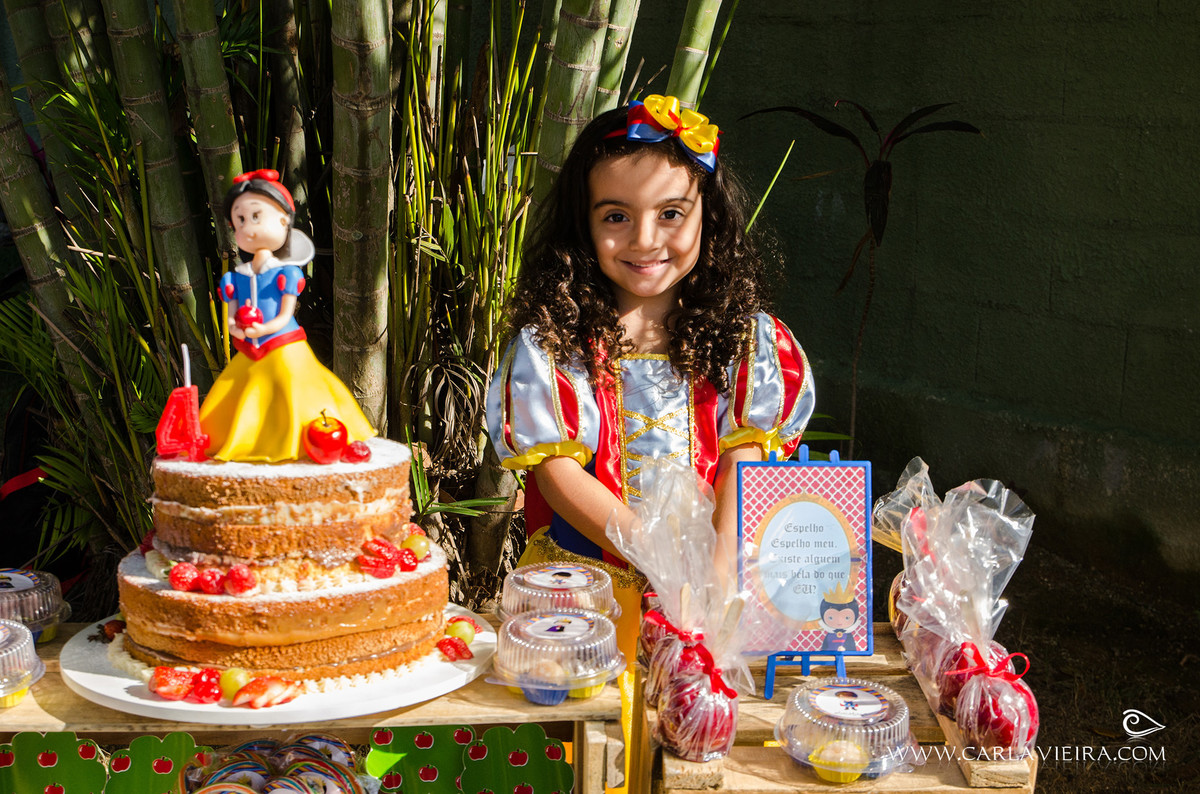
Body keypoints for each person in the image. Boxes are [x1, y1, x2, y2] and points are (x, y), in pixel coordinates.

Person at [486, 95, 815, 791]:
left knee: (703, 743)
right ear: (584, 223)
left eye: (671, 214)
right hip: (588, 595)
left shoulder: (743, 339)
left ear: (709, 216)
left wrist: (718, 568)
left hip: (707, 592)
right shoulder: (555, 345)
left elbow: (743, 455)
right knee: (594, 750)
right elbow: (554, 471)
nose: (645, 239)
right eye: (616, 217)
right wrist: (655, 553)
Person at [198, 169, 375, 462]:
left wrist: (261, 328)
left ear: (284, 221)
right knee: (237, 400)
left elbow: (284, 315)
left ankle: (302, 443)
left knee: (297, 394)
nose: (247, 227)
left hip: (283, 346)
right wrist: (238, 330)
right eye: (239, 220)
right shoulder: (236, 277)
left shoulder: (286, 274)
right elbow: (230, 318)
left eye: (256, 216)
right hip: (250, 351)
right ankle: (241, 443)